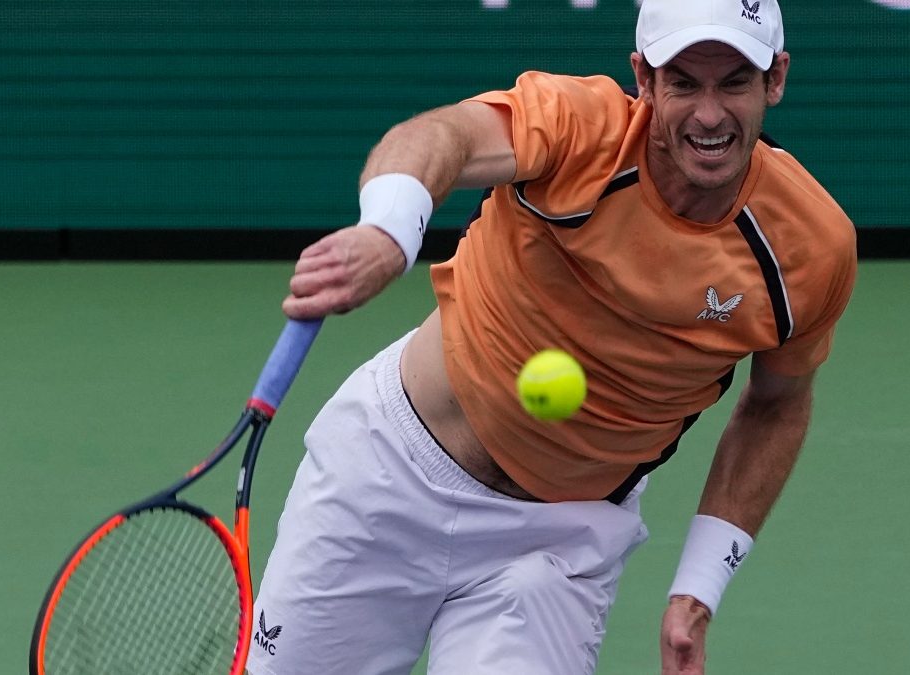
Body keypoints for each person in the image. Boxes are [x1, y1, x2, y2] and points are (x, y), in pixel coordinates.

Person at [248, 0, 856, 672]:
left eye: (734, 82)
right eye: (683, 82)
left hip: (557, 547)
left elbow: (778, 405)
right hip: (388, 479)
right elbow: (443, 135)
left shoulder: (809, 246)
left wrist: (697, 588)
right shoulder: (579, 129)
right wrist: (388, 230)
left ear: (776, 78)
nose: (710, 114)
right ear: (644, 81)